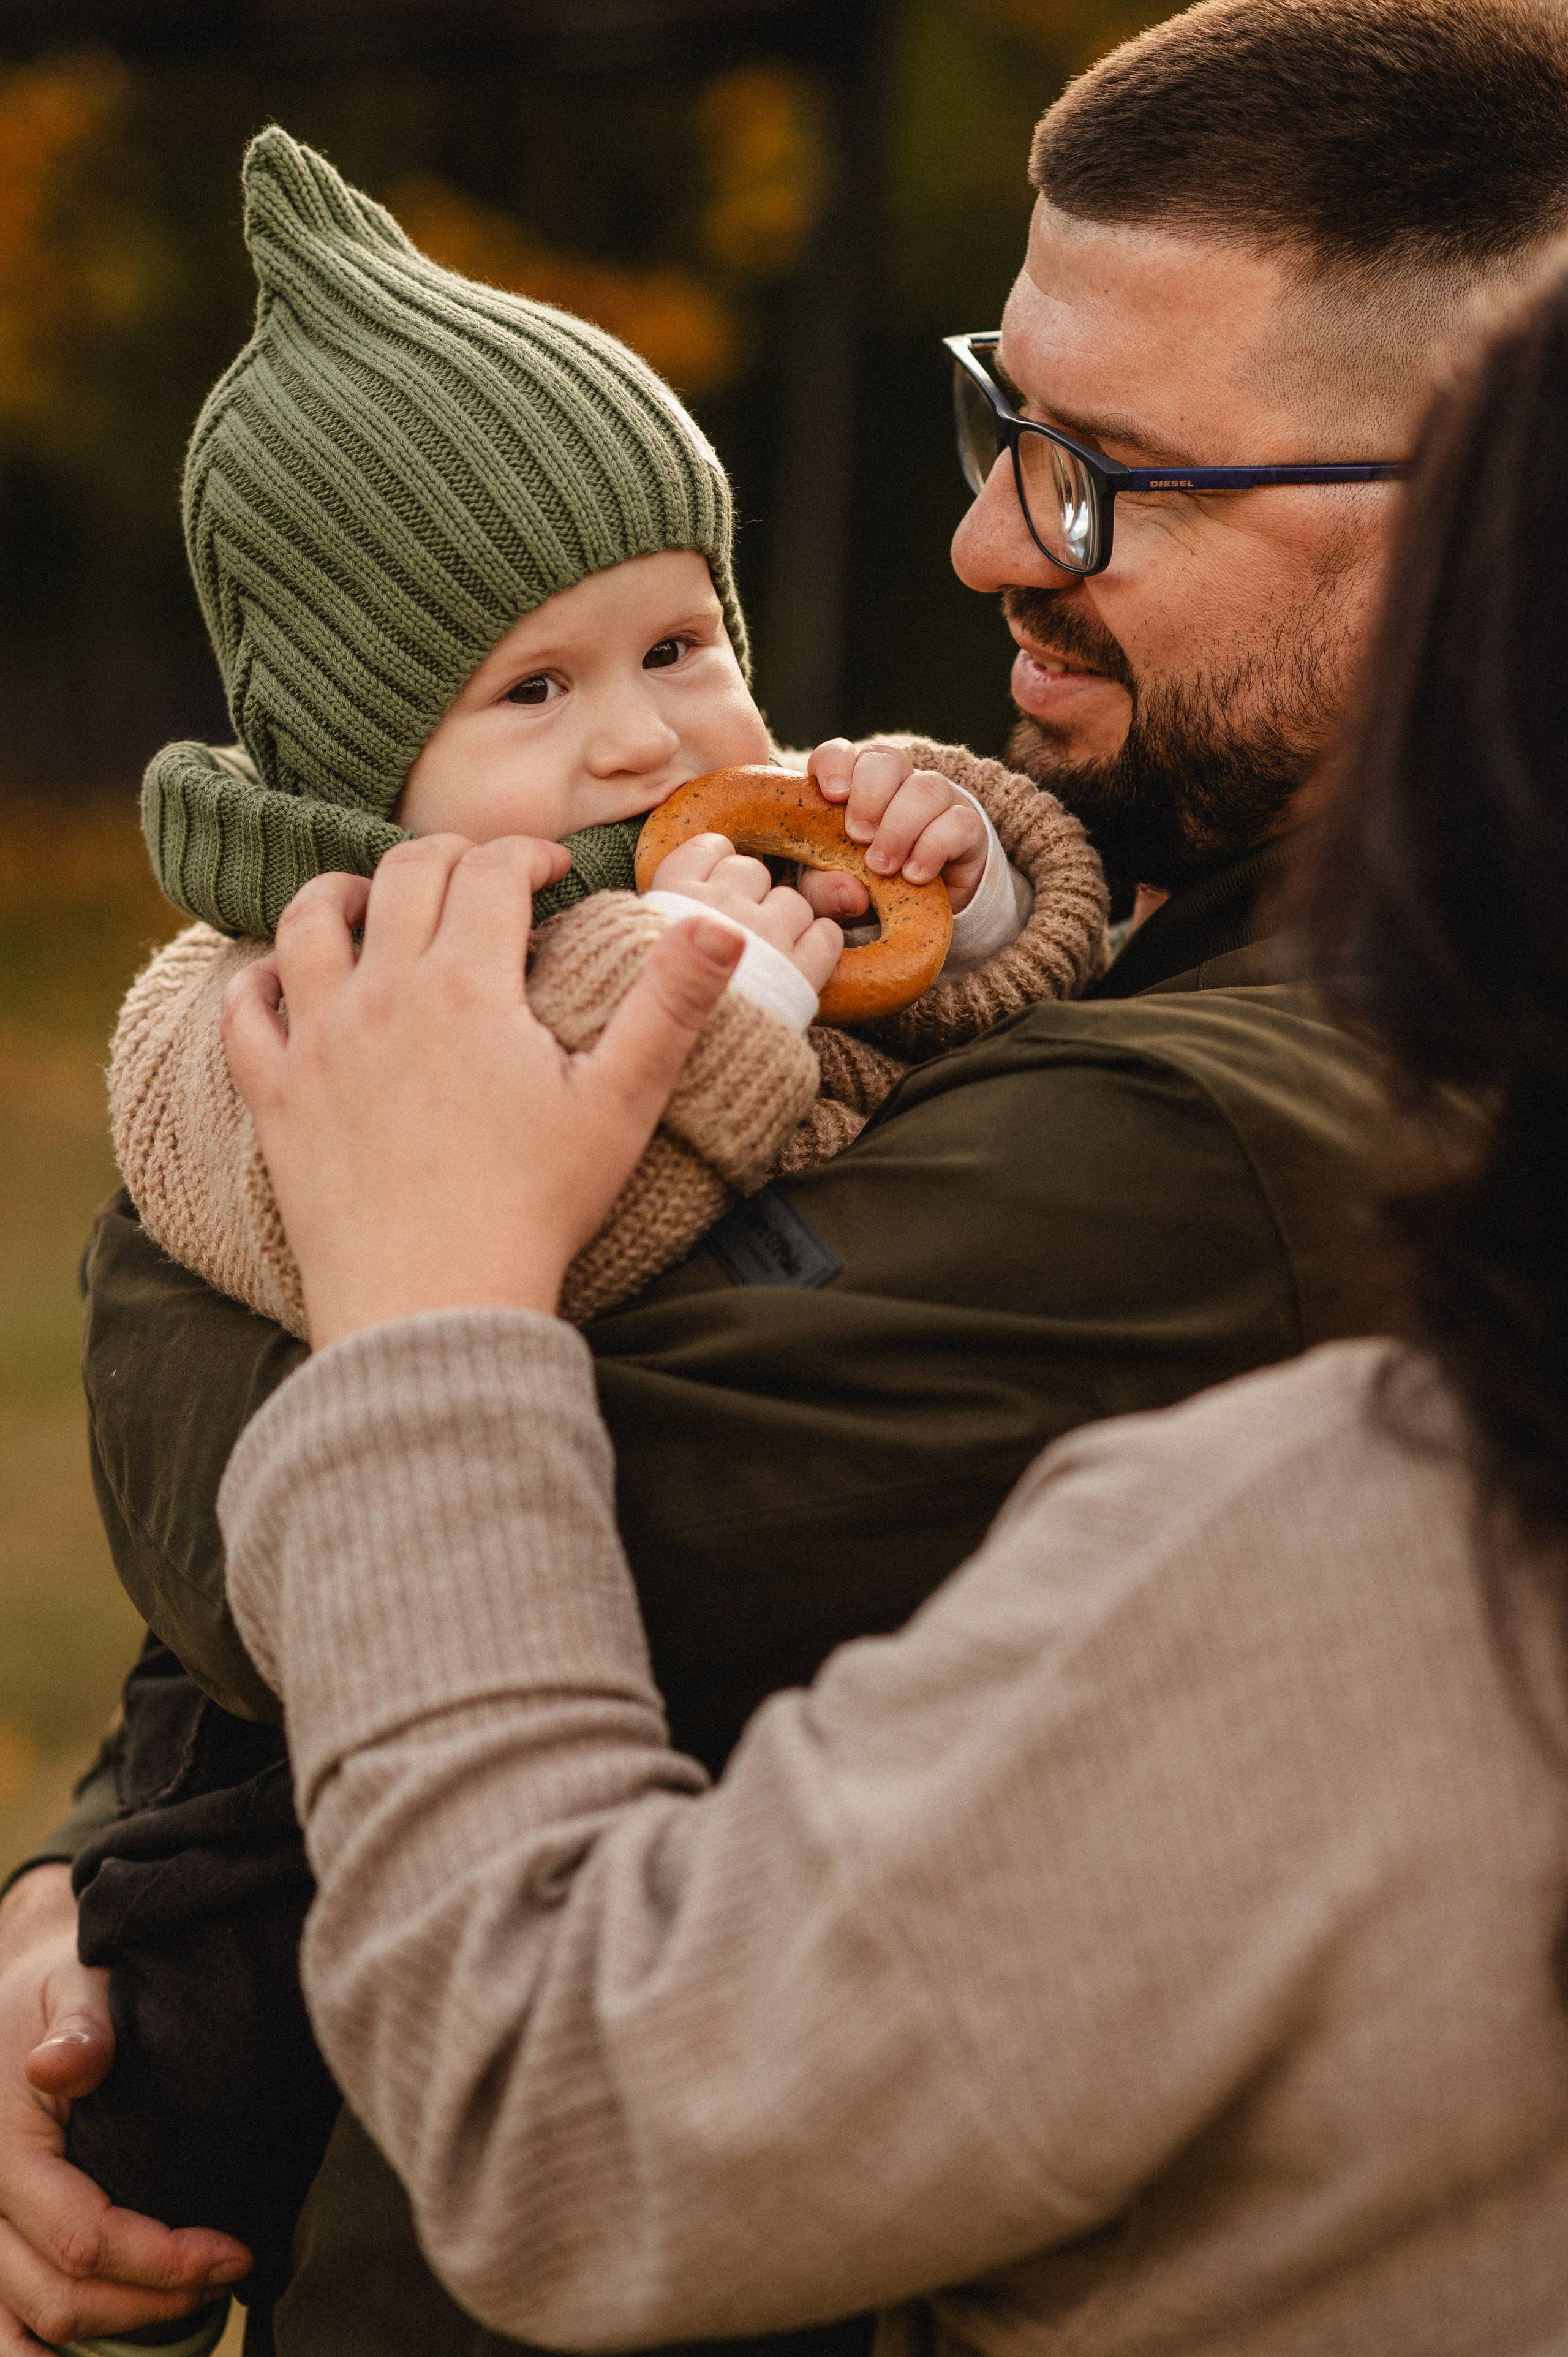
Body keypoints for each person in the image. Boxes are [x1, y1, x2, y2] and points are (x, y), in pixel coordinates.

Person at [4, 0, 1568, 2347]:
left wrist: (341, 1233)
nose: (981, 538)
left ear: (1472, 521)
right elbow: (350, 1605)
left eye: (1107, 472)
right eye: (1002, 423)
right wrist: (97, 1898)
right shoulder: (1160, 933)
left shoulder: (1237, 1138)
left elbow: (432, 1528)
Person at [52, 126, 1107, 2344]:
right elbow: (480, 1255)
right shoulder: (266, 990)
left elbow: (1011, 956)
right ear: (363, 755)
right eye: (533, 692)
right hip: (288, 1771)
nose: (642, 732)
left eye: (679, 637)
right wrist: (726, 1007)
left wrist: (972, 864)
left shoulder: (757, 841)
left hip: (692, 1751)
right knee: (180, 2080)